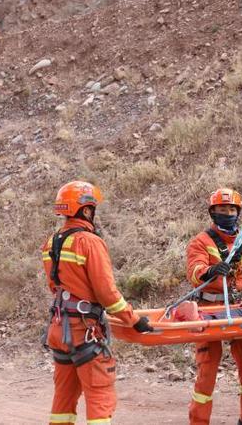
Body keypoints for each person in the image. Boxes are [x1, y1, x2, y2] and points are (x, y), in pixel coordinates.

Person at [41, 181, 153, 425]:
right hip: (83, 332)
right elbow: (107, 294)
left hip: (60, 329)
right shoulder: (89, 242)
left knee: (64, 396)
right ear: (87, 210)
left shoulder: (53, 242)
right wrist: (133, 320)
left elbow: (55, 286)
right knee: (100, 394)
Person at [186, 188, 242, 425]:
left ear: (238, 212)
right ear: (213, 212)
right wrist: (210, 270)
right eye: (222, 209)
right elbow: (194, 271)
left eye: (231, 209)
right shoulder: (201, 241)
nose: (227, 213)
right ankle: (199, 421)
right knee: (207, 368)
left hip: (236, 306)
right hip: (209, 307)